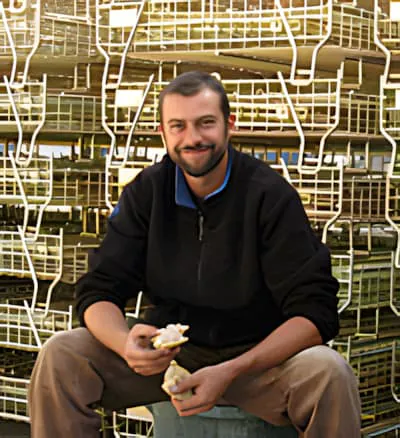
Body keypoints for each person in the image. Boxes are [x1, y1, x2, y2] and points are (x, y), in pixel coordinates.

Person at [28, 71, 361, 438]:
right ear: (163, 132)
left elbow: (315, 312)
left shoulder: (270, 196)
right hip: (170, 361)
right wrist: (127, 344)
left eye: (206, 123)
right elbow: (98, 289)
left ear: (229, 124)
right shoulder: (147, 193)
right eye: (178, 126)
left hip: (257, 363)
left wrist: (232, 370)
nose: (193, 138)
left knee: (329, 372)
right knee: (62, 355)